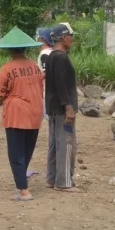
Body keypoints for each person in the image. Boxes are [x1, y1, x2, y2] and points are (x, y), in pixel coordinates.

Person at [0, 28, 45, 201]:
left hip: (17, 114)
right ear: (25, 48)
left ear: (9, 50)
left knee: (15, 153)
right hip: (35, 113)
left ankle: (23, 190)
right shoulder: (34, 66)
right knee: (26, 151)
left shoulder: (7, 69)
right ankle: (22, 183)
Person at [45, 23, 78, 192]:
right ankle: (63, 182)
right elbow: (61, 85)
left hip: (53, 107)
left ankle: (52, 178)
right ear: (64, 37)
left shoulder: (52, 56)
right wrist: (68, 107)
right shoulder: (61, 57)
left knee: (54, 144)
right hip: (61, 108)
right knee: (66, 143)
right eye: (71, 36)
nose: (73, 39)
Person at [36, 27, 54, 119]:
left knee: (49, 117)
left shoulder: (45, 54)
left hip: (47, 90)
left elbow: (46, 72)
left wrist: (33, 80)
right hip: (53, 89)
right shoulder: (53, 52)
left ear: (43, 39)